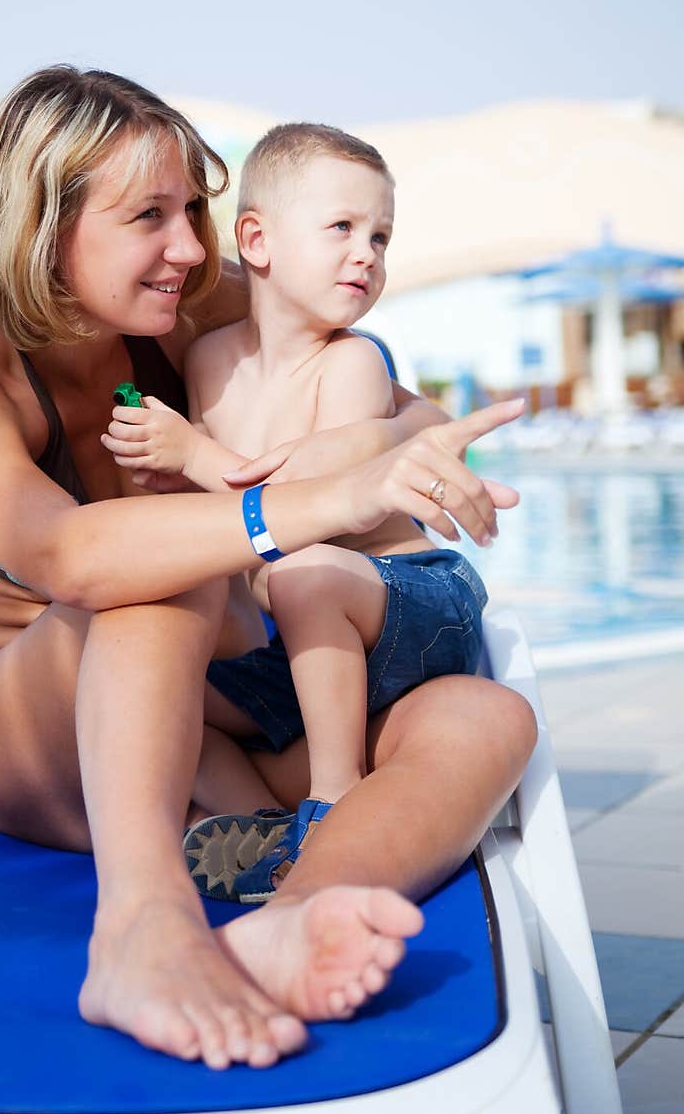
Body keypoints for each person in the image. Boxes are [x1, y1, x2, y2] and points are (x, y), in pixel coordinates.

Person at [0, 64, 536, 1074]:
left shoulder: (186, 307)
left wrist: (405, 446)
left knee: (484, 718)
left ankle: (292, 914)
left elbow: (385, 402)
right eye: (149, 216)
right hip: (42, 739)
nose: (191, 247)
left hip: (222, 711)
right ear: (43, 225)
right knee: (167, 567)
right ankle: (139, 931)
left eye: (194, 209)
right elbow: (70, 556)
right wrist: (325, 498)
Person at [102, 122, 491, 903]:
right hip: (308, 647)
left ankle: (336, 798)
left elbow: (326, 519)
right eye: (343, 228)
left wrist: (192, 454)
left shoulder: (351, 361)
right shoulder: (211, 361)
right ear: (257, 240)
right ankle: (269, 835)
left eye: (381, 236)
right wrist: (160, 474)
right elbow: (230, 512)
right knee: (184, 704)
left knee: (307, 574)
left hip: (407, 604)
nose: (368, 254)